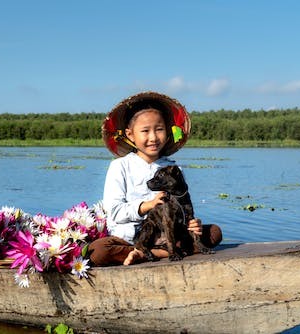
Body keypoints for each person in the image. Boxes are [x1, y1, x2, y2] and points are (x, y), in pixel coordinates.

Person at [88, 91, 222, 266]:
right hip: (128, 238)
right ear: (130, 135)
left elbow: (182, 206)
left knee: (214, 232)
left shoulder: (173, 169)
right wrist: (148, 205)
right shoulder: (120, 166)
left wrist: (192, 225)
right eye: (145, 131)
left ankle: (147, 254)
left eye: (159, 129)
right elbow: (114, 211)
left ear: (167, 132)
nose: (153, 137)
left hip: (169, 235)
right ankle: (152, 251)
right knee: (98, 251)